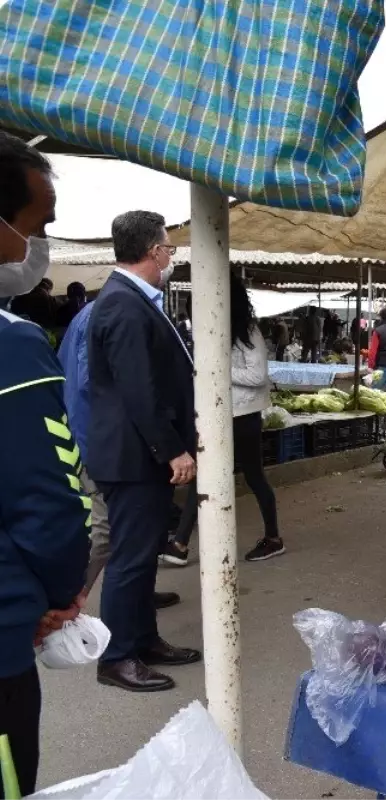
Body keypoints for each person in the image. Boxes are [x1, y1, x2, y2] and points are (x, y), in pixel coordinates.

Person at [0, 132, 91, 798]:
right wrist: (56, 595)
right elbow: (52, 503)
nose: (37, 251)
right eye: (37, 229)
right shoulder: (14, 347)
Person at [88, 210, 200, 692]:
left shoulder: (130, 300)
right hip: (133, 458)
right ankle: (116, 657)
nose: (170, 257)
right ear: (154, 252)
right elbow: (139, 391)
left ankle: (144, 639)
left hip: (138, 456)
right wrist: (172, 450)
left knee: (141, 557)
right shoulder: (123, 305)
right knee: (130, 561)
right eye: (169, 250)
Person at [58, 280, 182, 611]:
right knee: (107, 532)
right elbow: (101, 387)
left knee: (130, 534)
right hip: (97, 441)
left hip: (94, 435)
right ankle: (66, 603)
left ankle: (138, 594)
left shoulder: (92, 314)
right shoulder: (112, 312)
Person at [163, 272, 285, 567]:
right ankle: (180, 543)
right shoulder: (211, 331)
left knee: (255, 477)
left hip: (243, 416)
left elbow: (257, 377)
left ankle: (273, 538)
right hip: (215, 413)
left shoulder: (248, 331)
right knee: (204, 472)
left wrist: (215, 370)